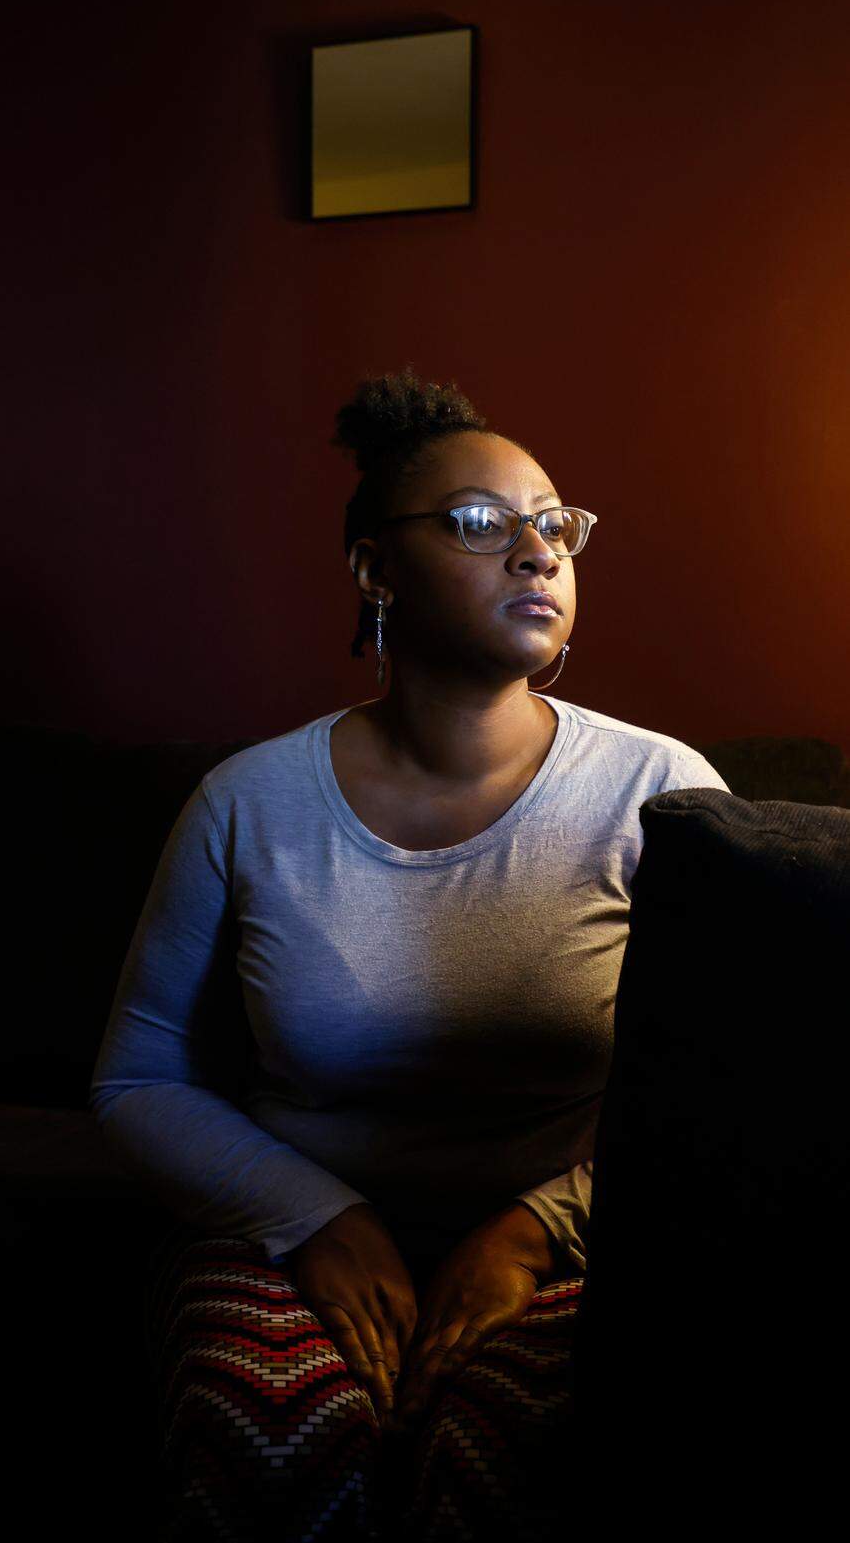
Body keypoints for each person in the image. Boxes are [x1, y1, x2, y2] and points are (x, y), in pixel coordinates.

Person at [89, 365, 730, 1542]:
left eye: (554, 527)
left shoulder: (661, 792)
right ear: (375, 570)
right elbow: (137, 1080)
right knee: (274, 1434)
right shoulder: (248, 802)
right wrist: (318, 1218)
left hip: (574, 1241)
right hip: (290, 1237)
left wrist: (536, 1230)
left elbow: (728, 1096)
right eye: (481, 525)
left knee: (506, 1442)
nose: (537, 553)